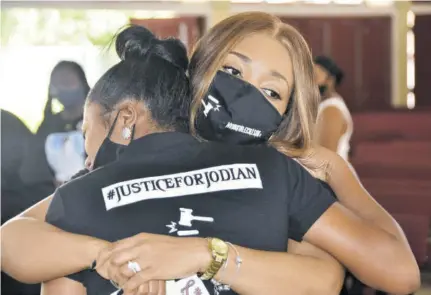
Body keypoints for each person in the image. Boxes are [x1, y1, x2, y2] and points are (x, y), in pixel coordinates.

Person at [1, 17, 419, 295]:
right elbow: (24, 237)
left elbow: (332, 275)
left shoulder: (279, 175)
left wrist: (334, 167)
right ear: (199, 69)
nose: (243, 96)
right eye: (233, 73)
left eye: (271, 92)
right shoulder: (116, 164)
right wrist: (116, 257)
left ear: (286, 114)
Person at [314, 56, 353, 161]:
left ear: (330, 80)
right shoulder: (322, 106)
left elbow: (326, 157)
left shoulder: (331, 109)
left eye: (315, 77)